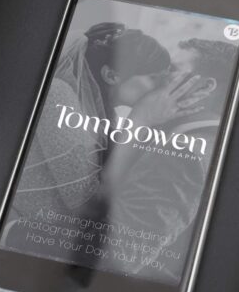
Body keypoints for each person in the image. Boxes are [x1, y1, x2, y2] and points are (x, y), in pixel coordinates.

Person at [97, 38, 238, 282]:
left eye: (172, 69)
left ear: (205, 87)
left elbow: (120, 254)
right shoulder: (181, 131)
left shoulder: (186, 152)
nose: (159, 75)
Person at [12, 22, 172, 216]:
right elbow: (84, 204)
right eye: (154, 78)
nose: (160, 89)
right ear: (111, 75)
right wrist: (140, 120)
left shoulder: (106, 113)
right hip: (26, 233)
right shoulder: (57, 95)